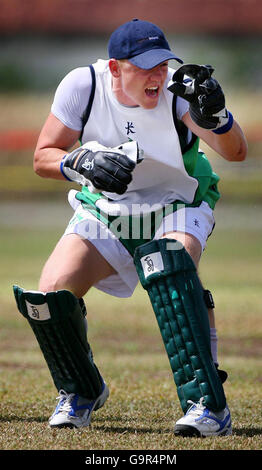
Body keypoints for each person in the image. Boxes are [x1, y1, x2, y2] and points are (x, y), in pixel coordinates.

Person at [13, 19, 247, 436]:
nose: (158, 74)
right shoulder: (82, 86)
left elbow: (236, 151)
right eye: (145, 66)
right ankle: (81, 390)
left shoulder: (178, 90)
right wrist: (78, 162)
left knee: (170, 266)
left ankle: (207, 405)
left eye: (162, 64)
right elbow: (42, 157)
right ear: (116, 68)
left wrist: (217, 116)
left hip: (178, 203)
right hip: (105, 209)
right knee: (48, 297)